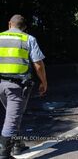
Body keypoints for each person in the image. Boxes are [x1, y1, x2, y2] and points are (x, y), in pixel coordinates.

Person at [0, 15, 47, 159]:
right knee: (12, 120)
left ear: (9, 24)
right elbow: (38, 65)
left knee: (13, 114)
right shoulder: (28, 39)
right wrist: (44, 82)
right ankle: (4, 154)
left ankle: (17, 145)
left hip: (0, 84)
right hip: (16, 87)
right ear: (24, 27)